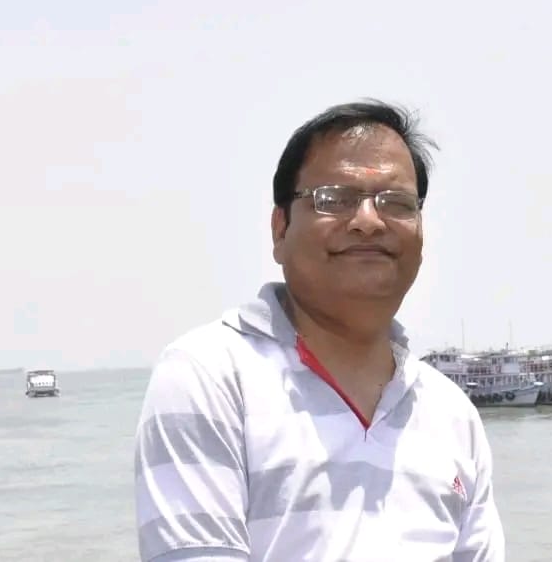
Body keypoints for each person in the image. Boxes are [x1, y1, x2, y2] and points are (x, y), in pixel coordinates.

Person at [134, 99, 505, 561]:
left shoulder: (452, 415)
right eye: (334, 199)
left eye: (396, 203)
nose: (368, 221)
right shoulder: (211, 376)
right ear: (280, 229)